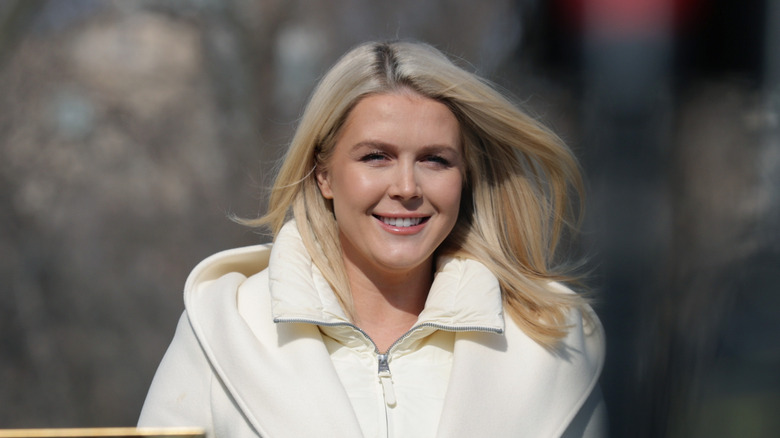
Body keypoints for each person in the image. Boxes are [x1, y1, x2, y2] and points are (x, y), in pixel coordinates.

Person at [138, 40, 606, 438]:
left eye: (435, 160)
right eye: (377, 157)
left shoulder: (553, 345)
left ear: (465, 178)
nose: (406, 187)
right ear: (323, 174)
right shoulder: (223, 328)